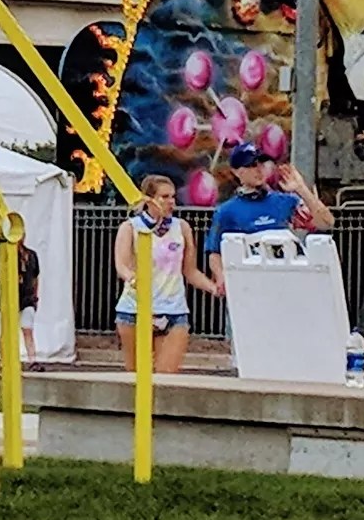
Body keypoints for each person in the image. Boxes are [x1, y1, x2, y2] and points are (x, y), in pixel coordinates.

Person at [200, 147, 326, 298]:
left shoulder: (284, 201)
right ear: (237, 172)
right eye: (252, 165)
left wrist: (302, 189)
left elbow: (325, 223)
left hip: (287, 284)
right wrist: (222, 277)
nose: (259, 169)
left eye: (261, 163)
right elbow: (214, 252)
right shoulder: (226, 211)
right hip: (250, 288)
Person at [114, 173, 197, 378]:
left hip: (173, 309)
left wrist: (215, 287)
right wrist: (133, 279)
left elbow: (190, 270)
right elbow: (121, 265)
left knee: (166, 377)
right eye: (164, 197)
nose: (171, 202)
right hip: (136, 308)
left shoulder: (181, 227)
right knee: (136, 376)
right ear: (149, 199)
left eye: (173, 197)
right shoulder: (130, 227)